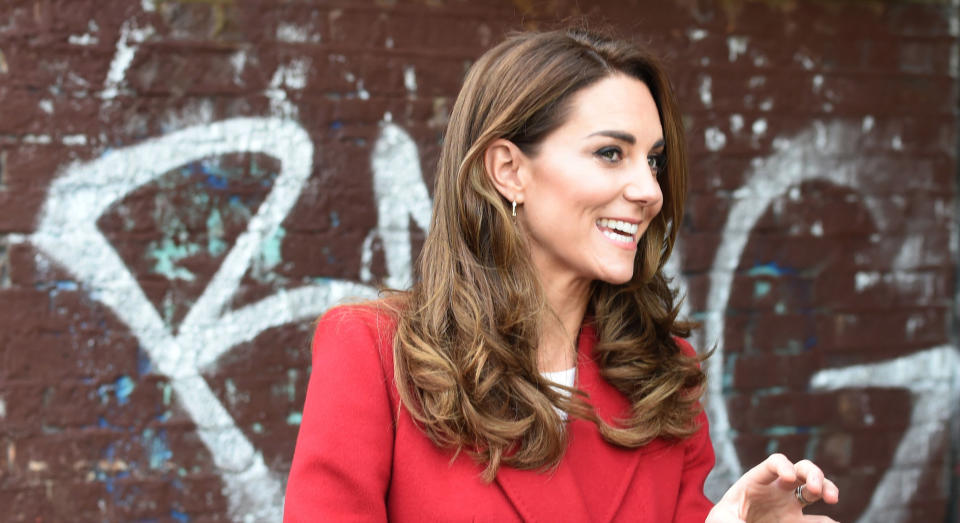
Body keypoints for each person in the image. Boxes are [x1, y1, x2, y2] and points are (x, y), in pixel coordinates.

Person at [284, 28, 840, 522]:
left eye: (653, 159)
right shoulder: (376, 355)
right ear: (508, 170)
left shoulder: (665, 375)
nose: (649, 190)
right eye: (609, 153)